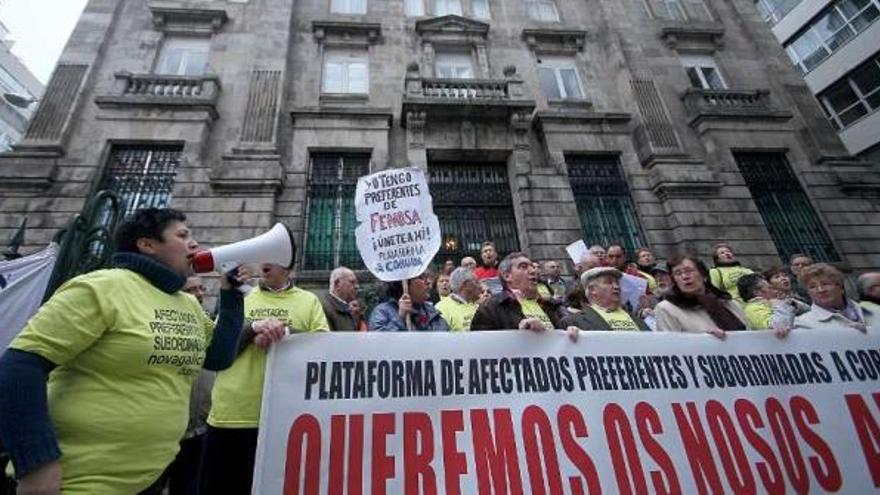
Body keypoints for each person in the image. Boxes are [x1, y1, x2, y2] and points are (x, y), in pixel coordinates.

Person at [0, 208, 246, 493]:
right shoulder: (102, 287)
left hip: (147, 478)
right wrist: (36, 464)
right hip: (78, 481)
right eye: (182, 235)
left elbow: (218, 357)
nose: (194, 243)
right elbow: (19, 367)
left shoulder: (186, 303)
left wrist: (231, 295)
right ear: (147, 244)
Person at [202, 262, 329, 494]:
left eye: (275, 257)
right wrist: (253, 330)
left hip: (286, 419)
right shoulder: (240, 297)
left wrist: (283, 334)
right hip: (233, 414)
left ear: (289, 269)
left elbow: (323, 347)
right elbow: (218, 348)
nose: (265, 262)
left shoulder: (309, 301)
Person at [149, 275, 219, 495]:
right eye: (192, 290)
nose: (199, 294)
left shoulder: (208, 324)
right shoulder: (160, 325)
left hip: (199, 431)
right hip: (165, 433)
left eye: (201, 288)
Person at [471, 252, 576, 340]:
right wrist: (519, 335)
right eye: (524, 267)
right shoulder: (491, 307)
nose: (533, 271)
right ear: (507, 276)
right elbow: (482, 347)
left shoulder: (552, 306)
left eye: (532, 267)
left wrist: (574, 332)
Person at [655, 254, 747, 337]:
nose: (684, 277)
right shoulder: (666, 309)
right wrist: (703, 341)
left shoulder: (728, 302)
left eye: (689, 271)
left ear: (704, 275)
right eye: (678, 273)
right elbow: (671, 346)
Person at [561, 267, 651, 331]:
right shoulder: (575, 322)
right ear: (592, 290)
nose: (616, 287)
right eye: (608, 282)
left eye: (617, 283)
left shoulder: (637, 319)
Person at [794, 264, 878, 332]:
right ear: (808, 293)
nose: (820, 290)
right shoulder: (803, 324)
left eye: (825, 284)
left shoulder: (877, 312)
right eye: (812, 287)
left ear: (841, 287)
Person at [368, 272, 449, 332]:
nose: (428, 282)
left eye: (428, 277)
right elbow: (380, 345)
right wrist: (400, 318)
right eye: (421, 277)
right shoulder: (382, 312)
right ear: (405, 283)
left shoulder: (431, 312)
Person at [318, 267, 360, 331]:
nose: (357, 286)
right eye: (352, 282)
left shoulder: (349, 307)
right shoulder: (325, 308)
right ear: (337, 284)